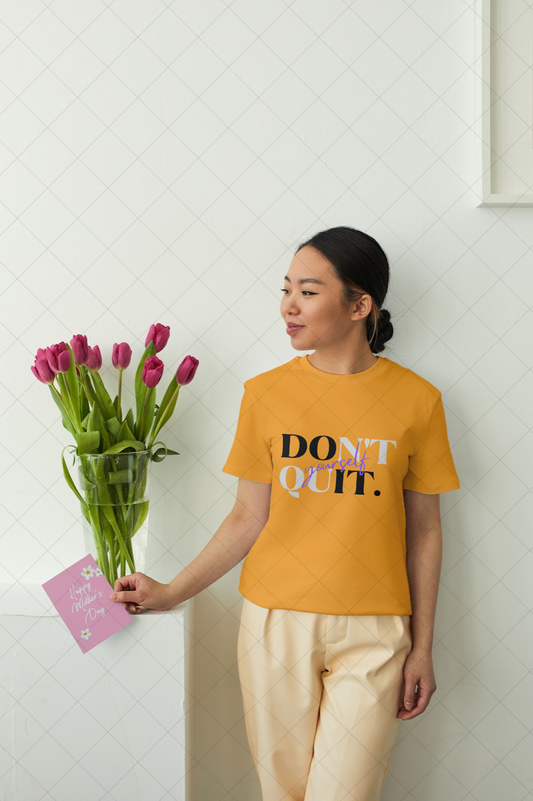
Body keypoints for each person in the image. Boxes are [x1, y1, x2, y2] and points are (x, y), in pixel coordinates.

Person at [109, 226, 461, 801]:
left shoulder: (418, 400)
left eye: (308, 291)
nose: (288, 307)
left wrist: (422, 645)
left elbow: (424, 531)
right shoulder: (265, 394)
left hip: (375, 630)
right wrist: (172, 591)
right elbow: (247, 518)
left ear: (359, 305)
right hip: (275, 623)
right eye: (286, 289)